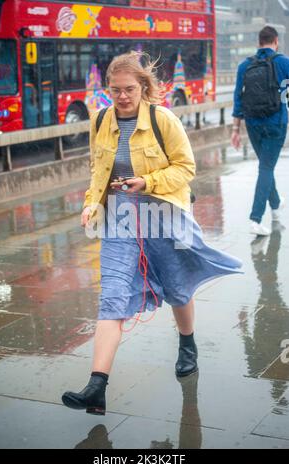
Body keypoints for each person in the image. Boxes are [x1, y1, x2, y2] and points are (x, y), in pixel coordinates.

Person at [62, 51, 242, 416]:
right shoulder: (99, 120)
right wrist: (90, 203)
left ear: (143, 87)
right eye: (115, 90)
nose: (122, 97)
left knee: (176, 285)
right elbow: (97, 169)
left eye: (129, 89)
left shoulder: (164, 120)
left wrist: (148, 181)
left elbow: (185, 168)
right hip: (119, 218)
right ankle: (97, 386)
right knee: (111, 296)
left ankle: (187, 344)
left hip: (163, 213)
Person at [232, 26, 289, 237]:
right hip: (276, 123)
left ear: (258, 42)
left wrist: (235, 130)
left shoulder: (244, 65)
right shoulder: (283, 62)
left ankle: (275, 205)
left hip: (252, 124)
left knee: (266, 165)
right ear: (275, 41)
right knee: (266, 167)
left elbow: (238, 97)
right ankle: (255, 220)